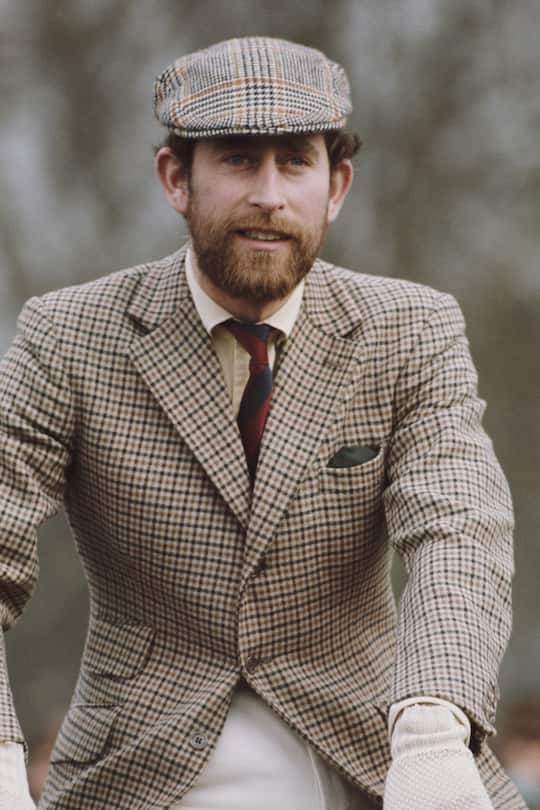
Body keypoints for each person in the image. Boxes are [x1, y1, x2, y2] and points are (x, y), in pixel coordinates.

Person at [0, 36, 527, 810]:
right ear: (176, 178)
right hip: (133, 771)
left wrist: (433, 729)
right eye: (240, 160)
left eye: (296, 162)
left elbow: (459, 530)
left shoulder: (412, 329)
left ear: (336, 186)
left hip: (376, 754)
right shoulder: (67, 335)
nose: (269, 195)